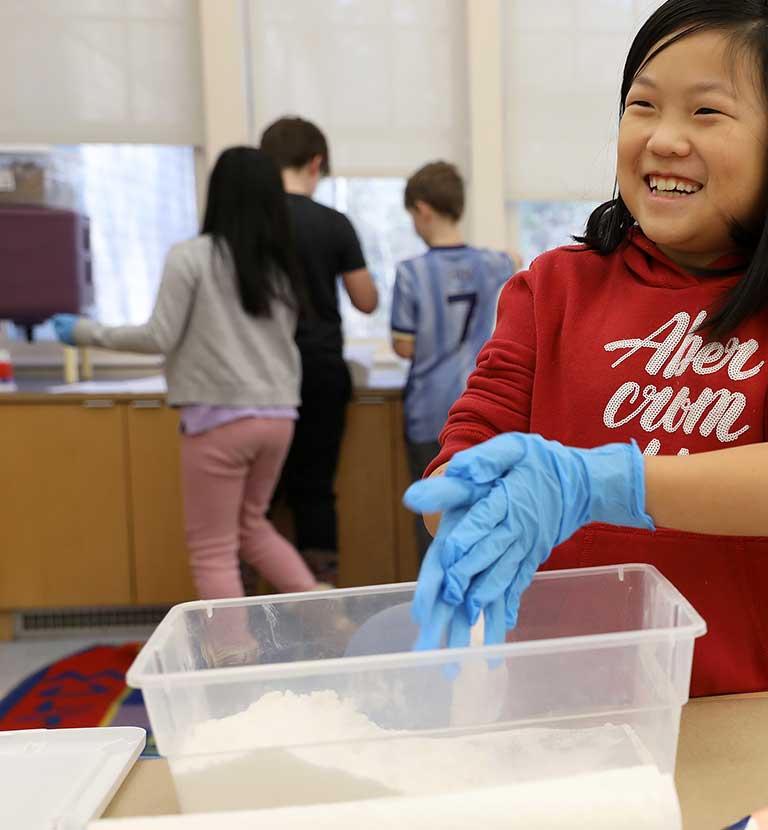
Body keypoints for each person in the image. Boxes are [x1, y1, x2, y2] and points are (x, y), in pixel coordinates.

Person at [402, 0, 768, 698]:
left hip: (742, 709)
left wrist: (600, 482)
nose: (663, 139)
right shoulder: (552, 288)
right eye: (643, 105)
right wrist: (474, 514)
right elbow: (453, 474)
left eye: (706, 112)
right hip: (557, 696)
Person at [51, 147, 322, 602]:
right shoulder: (281, 267)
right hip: (278, 418)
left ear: (217, 194)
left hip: (219, 420)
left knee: (212, 550)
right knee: (251, 528)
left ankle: (231, 662)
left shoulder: (192, 256)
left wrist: (85, 332)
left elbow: (159, 336)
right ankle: (322, 613)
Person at [260, 116, 378, 586]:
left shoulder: (250, 227)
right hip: (320, 371)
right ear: (316, 163)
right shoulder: (333, 224)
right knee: (315, 492)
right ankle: (318, 605)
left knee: (259, 503)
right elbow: (365, 300)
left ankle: (247, 617)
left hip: (261, 376)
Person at [389, 161, 518, 558]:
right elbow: (518, 267)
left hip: (430, 411)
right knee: (487, 514)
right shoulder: (498, 263)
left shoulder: (411, 272)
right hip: (487, 409)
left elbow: (404, 346)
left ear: (423, 210)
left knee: (434, 516)